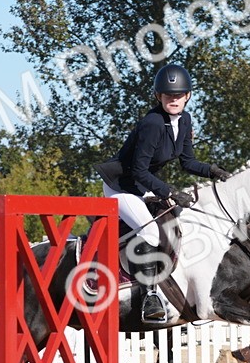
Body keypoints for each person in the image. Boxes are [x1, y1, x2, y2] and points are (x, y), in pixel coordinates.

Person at [95, 63, 231, 323]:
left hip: (142, 185)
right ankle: (150, 297)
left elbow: (187, 162)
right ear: (159, 97)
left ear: (188, 96)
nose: (174, 99)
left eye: (179, 95)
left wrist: (213, 171)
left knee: (177, 224)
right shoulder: (153, 123)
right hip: (121, 188)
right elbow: (138, 171)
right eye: (168, 95)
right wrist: (169, 191)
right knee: (150, 232)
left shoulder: (185, 120)